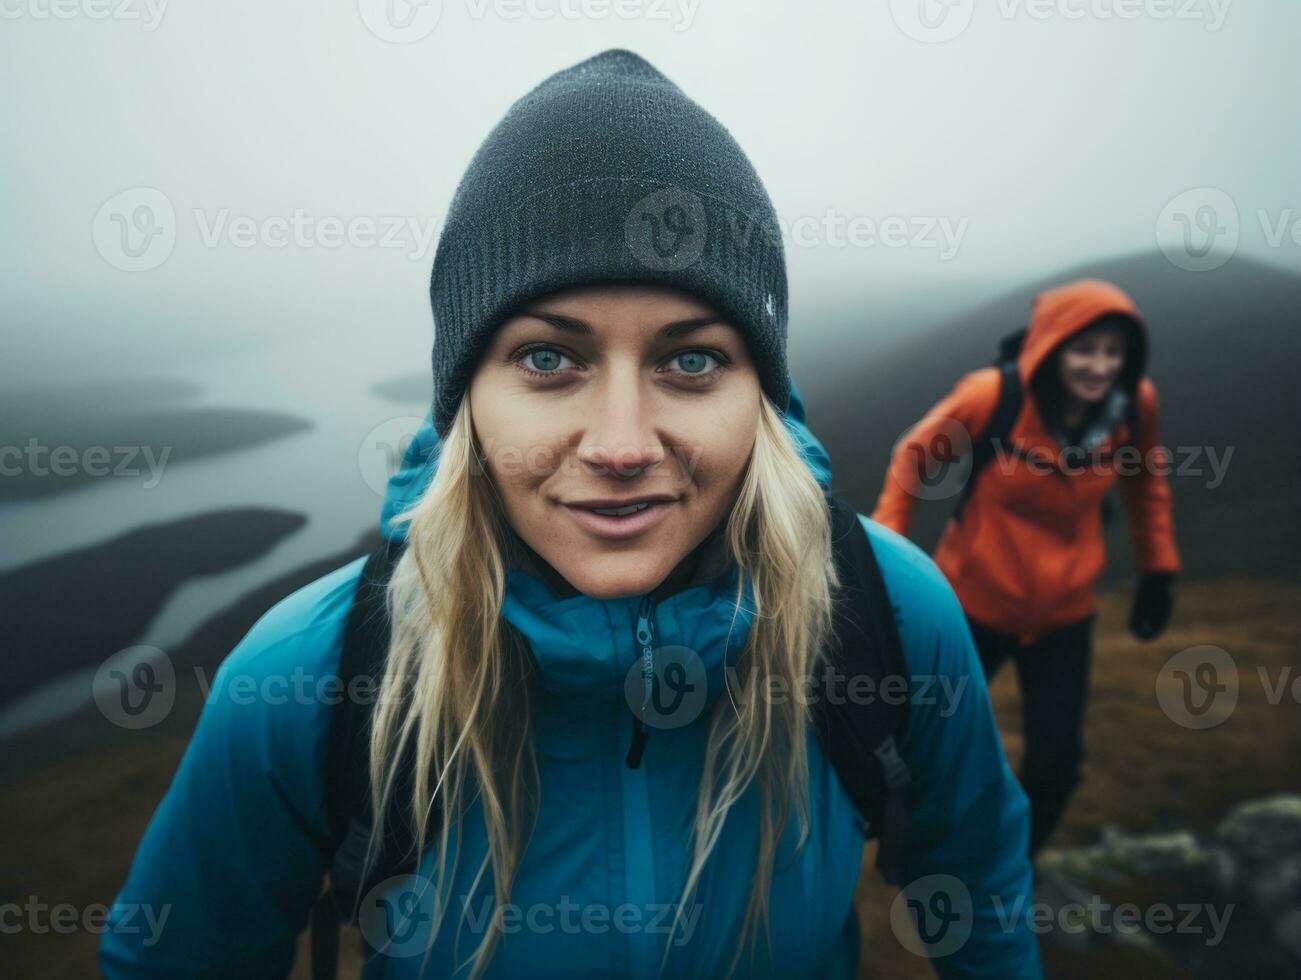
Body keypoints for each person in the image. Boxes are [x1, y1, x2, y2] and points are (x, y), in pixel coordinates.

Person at [101, 49, 1040, 978]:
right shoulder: (309, 677)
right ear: (466, 398)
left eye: (692, 360)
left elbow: (980, 891)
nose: (622, 445)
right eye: (549, 360)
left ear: (763, 394)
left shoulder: (884, 614)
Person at [871, 278, 1181, 857]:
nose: (1099, 366)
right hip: (970, 605)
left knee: (1056, 768)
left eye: (1114, 352)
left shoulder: (1135, 407)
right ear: (1053, 345)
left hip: (1063, 615)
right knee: (927, 745)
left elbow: (1146, 484)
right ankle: (907, 847)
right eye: (1083, 348)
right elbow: (913, 458)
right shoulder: (993, 396)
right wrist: (886, 558)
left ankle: (1012, 866)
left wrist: (1158, 568)